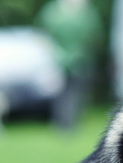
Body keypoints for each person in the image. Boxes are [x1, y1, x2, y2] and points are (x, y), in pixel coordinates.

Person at [36, 0, 103, 128]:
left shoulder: (53, 10)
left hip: (71, 59)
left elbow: (42, 34)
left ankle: (65, 123)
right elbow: (96, 36)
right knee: (67, 93)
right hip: (67, 60)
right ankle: (66, 123)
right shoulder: (83, 12)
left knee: (69, 93)